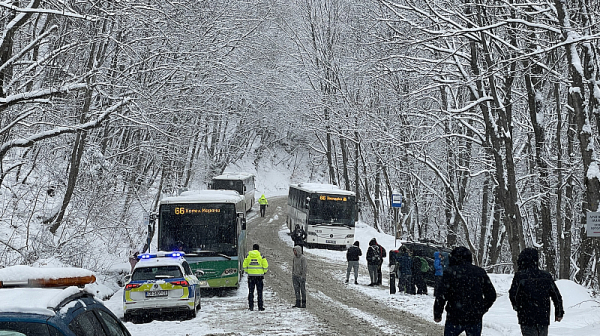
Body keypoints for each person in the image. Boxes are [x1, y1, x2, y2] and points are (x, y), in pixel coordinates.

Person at [434, 246, 496, 336]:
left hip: (454, 315)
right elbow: (491, 295)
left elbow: (441, 295)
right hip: (474, 317)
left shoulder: (450, 272)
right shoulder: (480, 272)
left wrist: (437, 313)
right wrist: (481, 309)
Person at [509, 248, 564, 336]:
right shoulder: (546, 276)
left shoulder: (520, 276)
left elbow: (513, 294)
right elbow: (556, 296)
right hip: (543, 316)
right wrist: (559, 312)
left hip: (526, 317)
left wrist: (518, 308)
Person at [243, 244, 269, 311]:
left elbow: (244, 265)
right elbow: (265, 266)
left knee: (251, 292)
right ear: (258, 249)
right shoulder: (261, 256)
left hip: (251, 277)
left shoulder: (248, 256)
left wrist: (247, 271)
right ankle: (260, 307)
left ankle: (251, 307)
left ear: (253, 248)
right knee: (259, 292)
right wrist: (264, 272)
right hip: (259, 277)